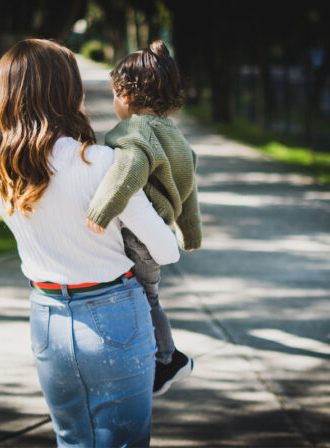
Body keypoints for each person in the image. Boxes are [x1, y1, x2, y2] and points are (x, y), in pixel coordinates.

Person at [0, 38, 180, 447]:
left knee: (72, 441)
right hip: (115, 316)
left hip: (46, 317)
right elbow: (165, 250)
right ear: (63, 91)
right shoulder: (101, 163)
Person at [85, 40, 202, 396]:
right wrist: (191, 234)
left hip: (137, 236)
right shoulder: (178, 139)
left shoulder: (134, 131)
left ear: (128, 95)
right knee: (150, 296)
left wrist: (101, 211)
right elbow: (189, 190)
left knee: (143, 298)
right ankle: (164, 356)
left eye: (114, 95)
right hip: (158, 232)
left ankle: (166, 359)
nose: (114, 103)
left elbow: (131, 169)